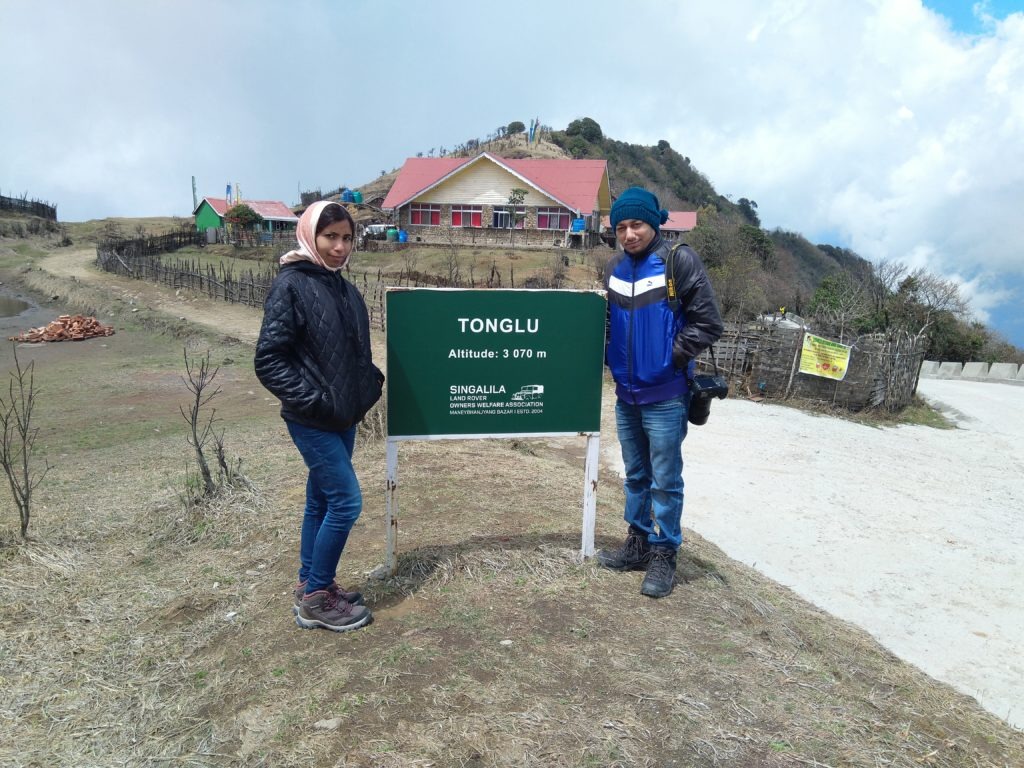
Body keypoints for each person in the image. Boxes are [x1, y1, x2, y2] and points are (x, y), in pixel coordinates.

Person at [255, 201, 384, 631]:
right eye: (331, 237)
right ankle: (317, 597)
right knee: (346, 503)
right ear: (311, 235)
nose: (340, 247)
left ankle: (308, 582)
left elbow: (351, 353)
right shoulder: (291, 285)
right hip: (313, 419)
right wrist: (315, 401)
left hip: (342, 417)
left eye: (347, 238)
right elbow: (269, 360)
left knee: (321, 501)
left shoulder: (343, 288)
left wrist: (368, 384)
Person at [597, 187, 724, 598]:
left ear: (654, 223)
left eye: (636, 225)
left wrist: (670, 358)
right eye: (621, 227)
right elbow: (610, 325)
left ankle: (664, 553)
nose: (629, 234)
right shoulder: (615, 269)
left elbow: (708, 323)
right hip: (626, 395)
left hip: (667, 395)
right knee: (636, 476)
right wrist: (610, 357)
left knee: (665, 481)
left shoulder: (677, 261)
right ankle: (636, 543)